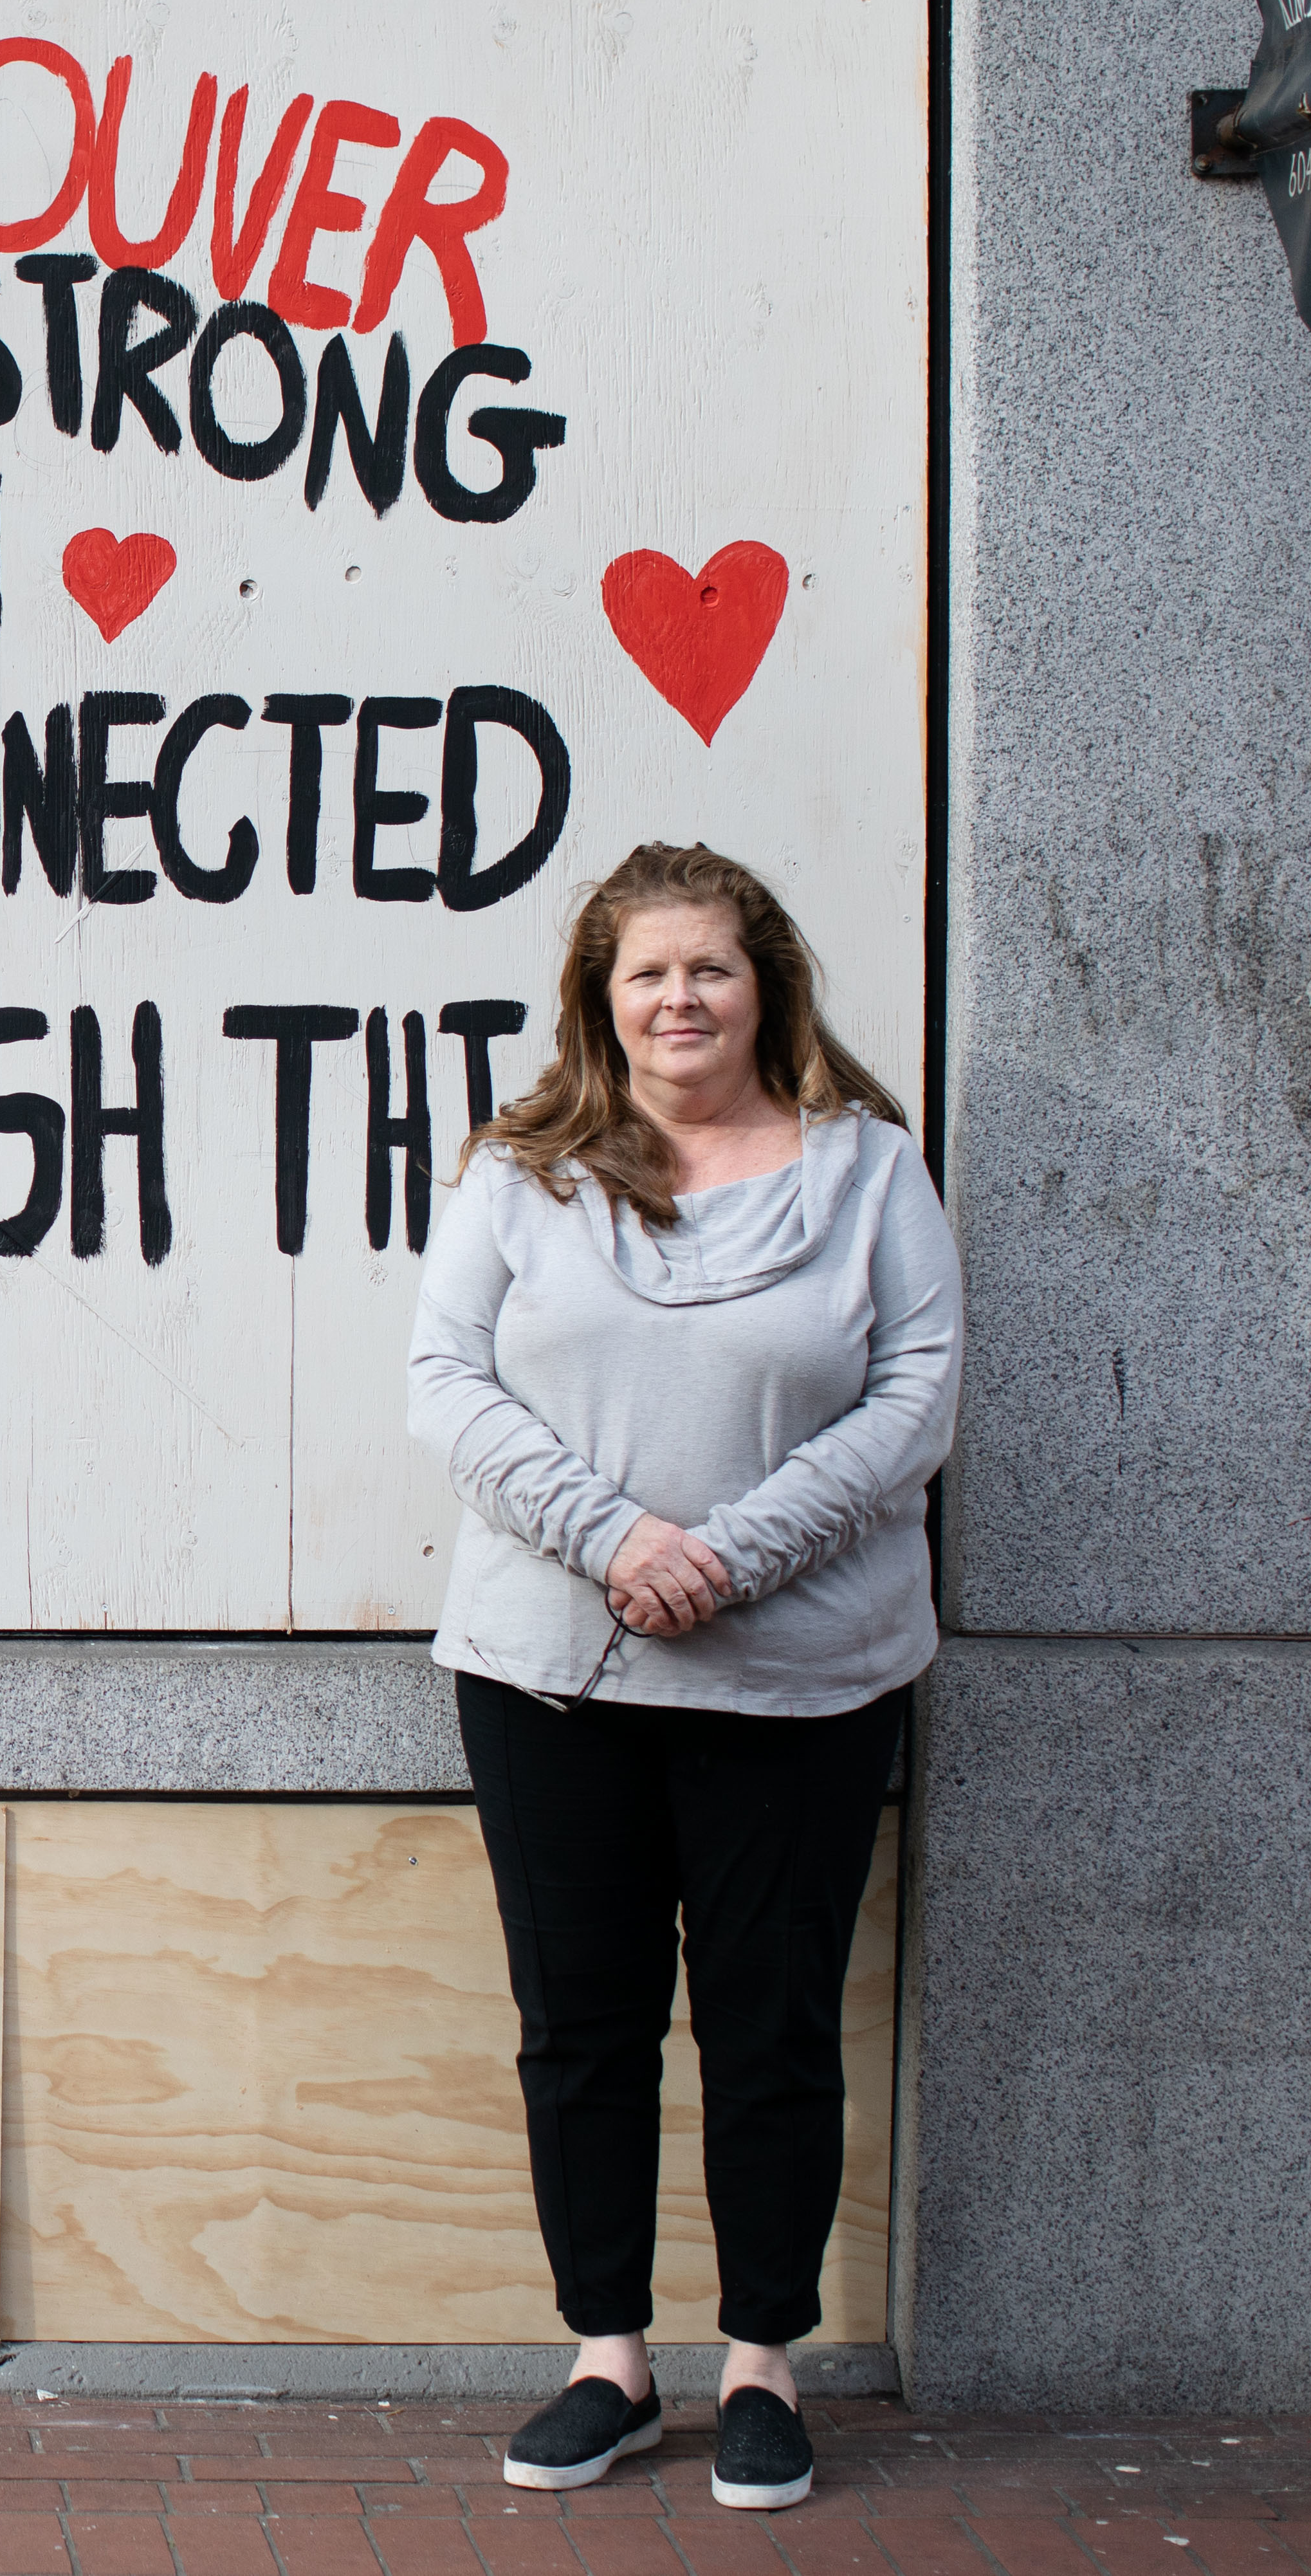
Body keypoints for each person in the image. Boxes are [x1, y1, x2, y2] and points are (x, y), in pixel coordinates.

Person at [403, 842, 958, 2513]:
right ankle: (609, 2364)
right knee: (581, 2025)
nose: (679, 999)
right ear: (600, 999)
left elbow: (917, 1399)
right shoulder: (522, 1170)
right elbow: (447, 1384)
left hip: (802, 1681)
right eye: (646, 973)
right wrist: (620, 1539)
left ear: (764, 983)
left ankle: (765, 2368)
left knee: (772, 2026)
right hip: (551, 1674)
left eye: (708, 968)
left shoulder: (867, 1175)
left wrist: (740, 1551)